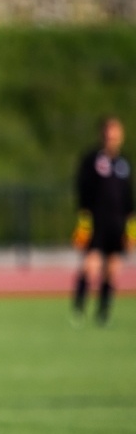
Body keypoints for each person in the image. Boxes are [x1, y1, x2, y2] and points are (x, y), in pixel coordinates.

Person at [72, 116, 133, 326]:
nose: (113, 138)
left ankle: (103, 312)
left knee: (113, 269)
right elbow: (83, 194)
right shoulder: (92, 161)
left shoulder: (123, 164)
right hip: (97, 222)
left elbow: (128, 200)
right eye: (110, 133)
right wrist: (83, 224)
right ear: (103, 135)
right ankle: (78, 308)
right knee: (91, 266)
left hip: (117, 225)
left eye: (117, 133)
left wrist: (131, 230)